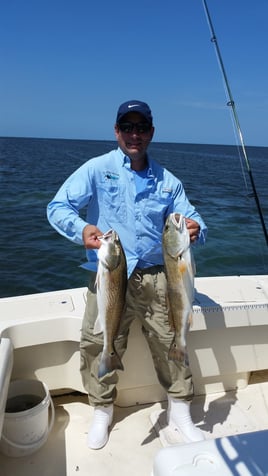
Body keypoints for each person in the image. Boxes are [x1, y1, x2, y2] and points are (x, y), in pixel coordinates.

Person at [47, 100, 207, 450]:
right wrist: (83, 228)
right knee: (96, 341)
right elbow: (57, 207)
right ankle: (102, 409)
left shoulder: (168, 181)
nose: (135, 134)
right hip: (109, 272)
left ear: (151, 132)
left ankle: (180, 409)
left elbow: (191, 217)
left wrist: (197, 228)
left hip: (157, 278)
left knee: (170, 342)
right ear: (117, 131)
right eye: (128, 127)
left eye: (142, 127)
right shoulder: (96, 168)